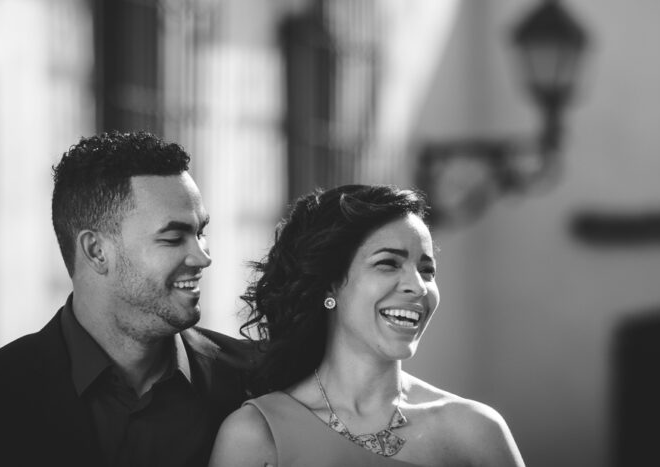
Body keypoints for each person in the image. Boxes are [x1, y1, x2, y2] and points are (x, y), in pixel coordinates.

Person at [0, 131, 254, 467]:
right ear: (96, 251)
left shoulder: (256, 382)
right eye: (173, 238)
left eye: (200, 232)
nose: (202, 257)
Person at [208, 184, 526, 467]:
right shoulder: (256, 434)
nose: (418, 287)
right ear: (329, 285)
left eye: (427, 270)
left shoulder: (474, 431)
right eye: (388, 263)